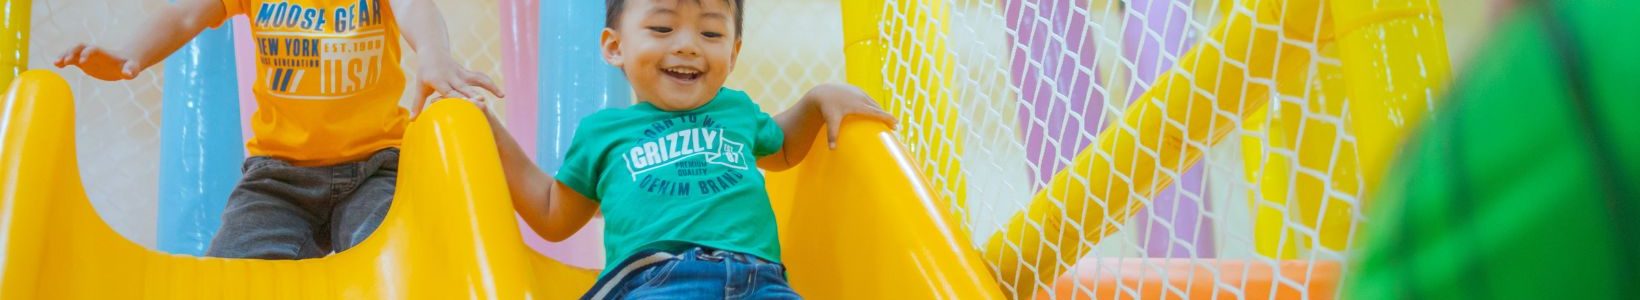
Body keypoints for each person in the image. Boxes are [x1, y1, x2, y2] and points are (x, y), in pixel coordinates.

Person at [476, 0, 895, 298]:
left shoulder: (737, 109)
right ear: (615, 46)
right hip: (657, 278)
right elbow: (553, 214)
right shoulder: (603, 132)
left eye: (710, 33)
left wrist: (818, 99)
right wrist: (491, 132)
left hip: (762, 281)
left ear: (732, 53)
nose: (688, 45)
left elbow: (784, 148)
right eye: (662, 28)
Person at [54, 0, 502, 259]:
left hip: (376, 168)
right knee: (233, 270)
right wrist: (128, 52)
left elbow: (414, 5)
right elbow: (184, 12)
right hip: (278, 179)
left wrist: (433, 54)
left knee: (396, 258)